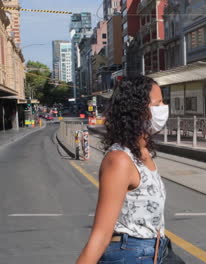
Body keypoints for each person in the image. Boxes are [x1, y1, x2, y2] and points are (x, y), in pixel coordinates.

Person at [76, 76, 169, 264]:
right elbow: (101, 234)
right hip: (130, 255)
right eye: (158, 103)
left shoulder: (142, 153)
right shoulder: (119, 160)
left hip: (154, 251)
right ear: (139, 111)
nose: (164, 108)